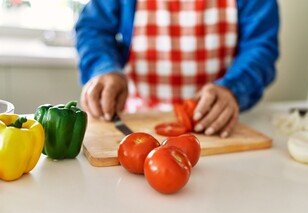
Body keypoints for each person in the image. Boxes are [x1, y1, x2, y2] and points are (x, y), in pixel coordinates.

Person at [75, 0, 279, 138]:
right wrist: (103, 69)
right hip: (135, 119)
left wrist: (233, 88)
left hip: (218, 124)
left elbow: (261, 46)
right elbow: (94, 29)